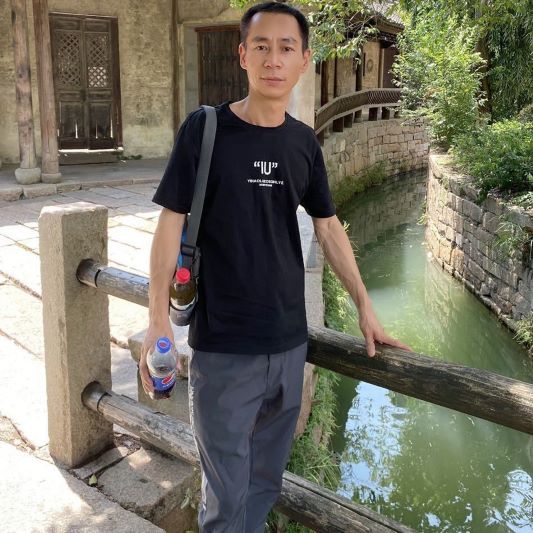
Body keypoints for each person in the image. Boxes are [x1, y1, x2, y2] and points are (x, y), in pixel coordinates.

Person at [140, 2, 412, 531]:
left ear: (304, 60)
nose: (273, 59)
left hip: (289, 346)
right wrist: (156, 321)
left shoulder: (303, 142)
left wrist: (364, 306)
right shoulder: (205, 129)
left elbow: (328, 227)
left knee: (264, 484)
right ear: (243, 55)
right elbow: (170, 223)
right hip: (224, 347)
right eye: (261, 46)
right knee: (224, 497)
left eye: (286, 48)